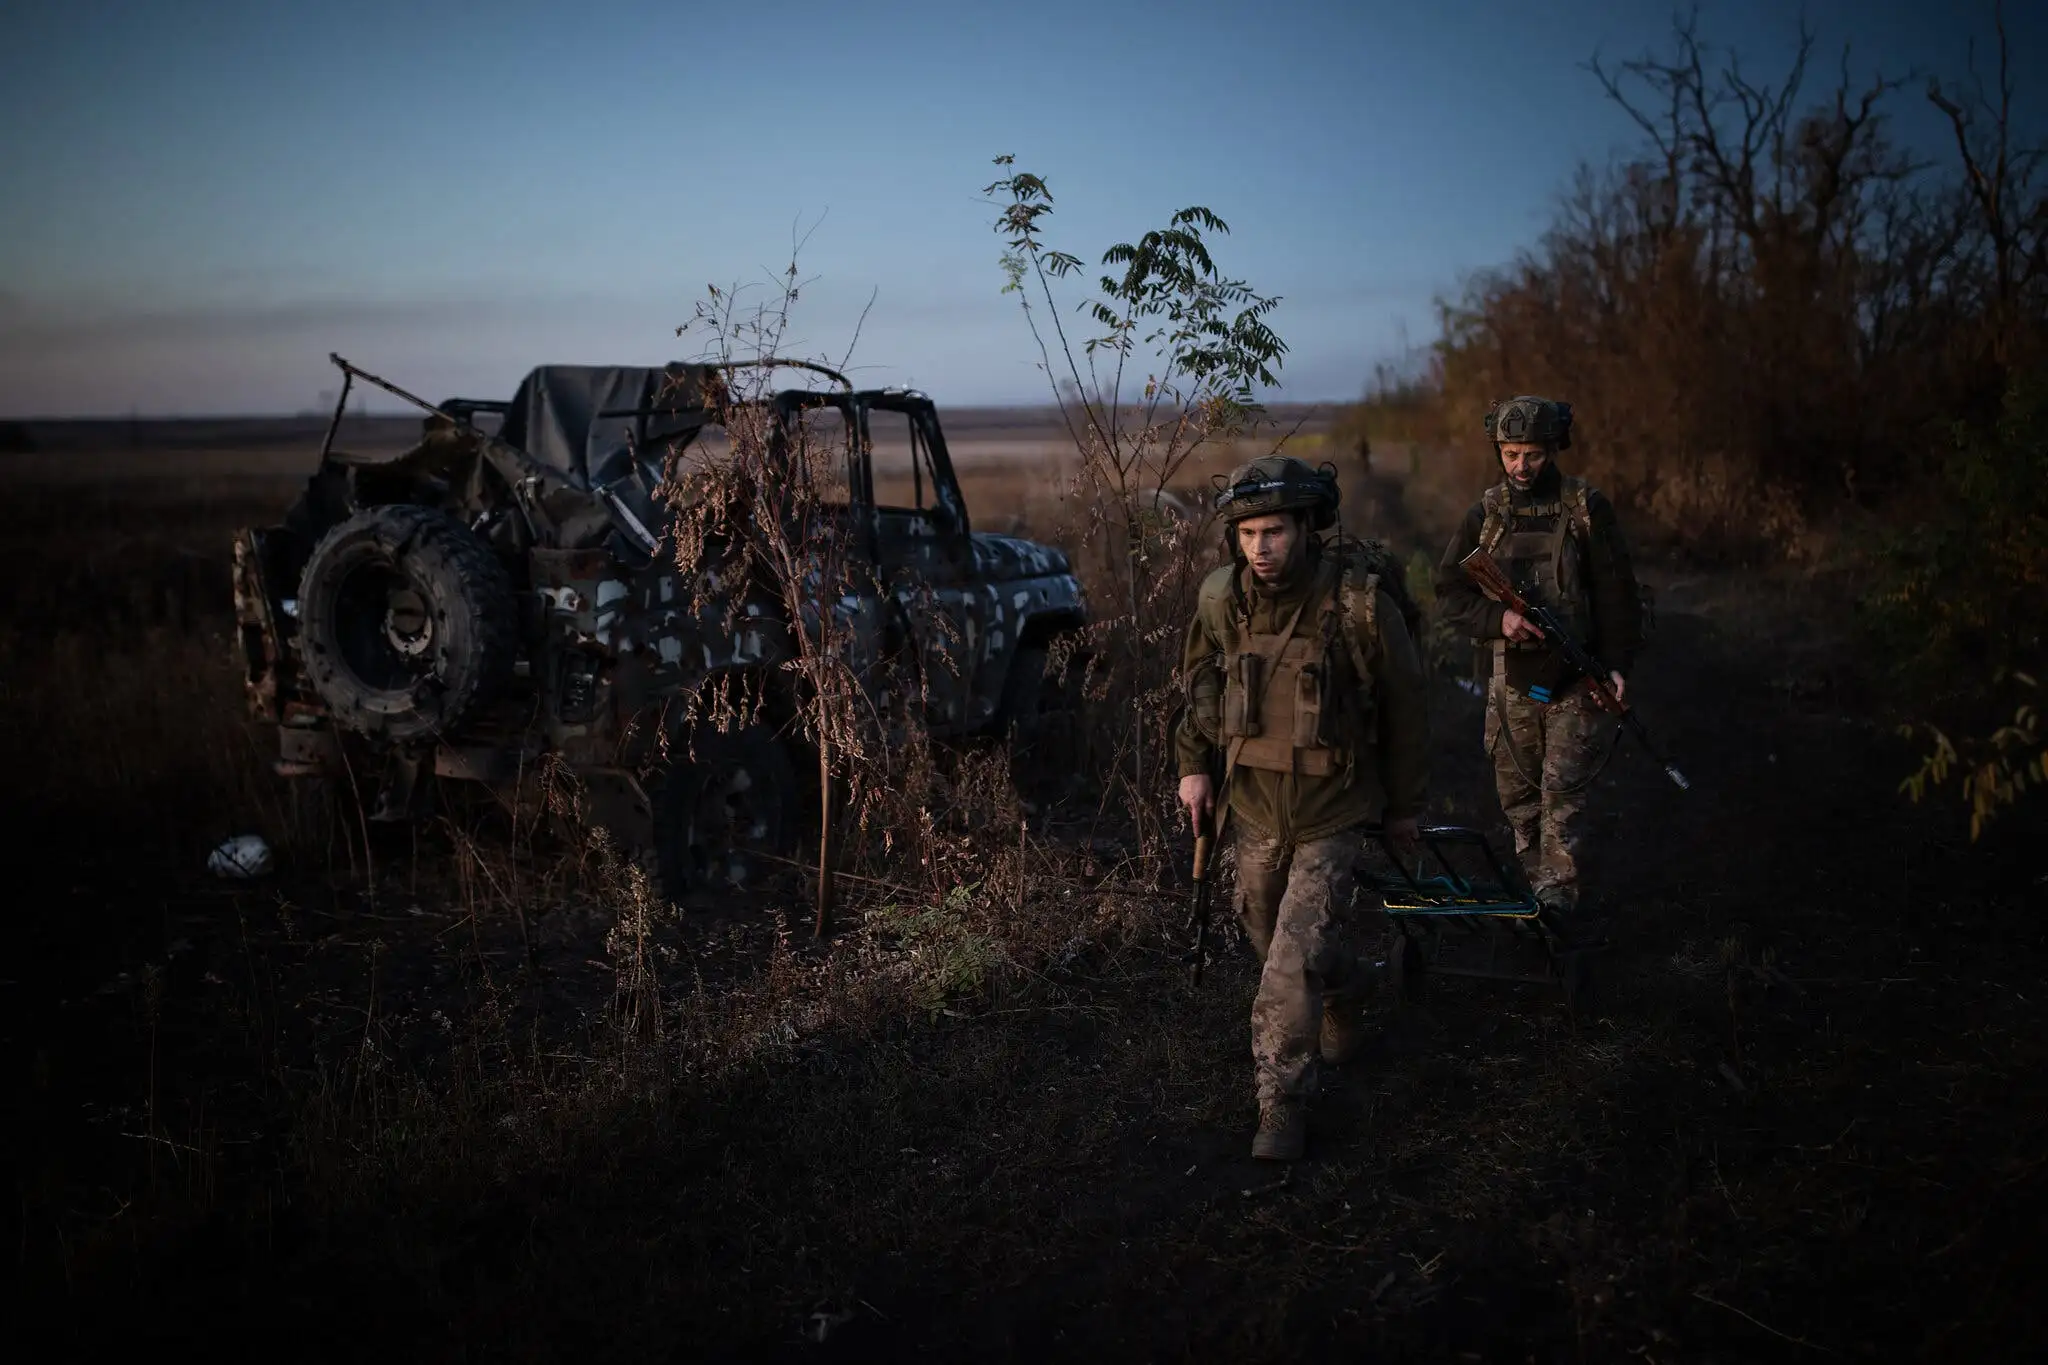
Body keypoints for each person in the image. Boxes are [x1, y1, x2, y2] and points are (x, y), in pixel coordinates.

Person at [1174, 455, 1431, 1162]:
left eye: (1276, 531)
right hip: (1253, 807)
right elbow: (1200, 682)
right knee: (1271, 936)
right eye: (1249, 533)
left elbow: (1408, 710)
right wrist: (1194, 766)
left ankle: (1280, 1112)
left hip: (1333, 811)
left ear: (1306, 528)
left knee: (1285, 970)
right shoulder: (1223, 600)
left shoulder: (1358, 606)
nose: (1261, 547)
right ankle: (1346, 990)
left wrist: (1405, 808)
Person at [1431, 395, 1644, 922]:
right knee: (1519, 800)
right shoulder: (1486, 514)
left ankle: (1557, 909)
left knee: (1563, 797)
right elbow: (1450, 592)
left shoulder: (1585, 508)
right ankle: (1538, 894)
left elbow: (1617, 595)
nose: (1520, 466)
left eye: (1532, 454)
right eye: (1509, 454)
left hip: (1577, 675)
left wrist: (1615, 664)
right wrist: (1497, 621)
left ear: (1554, 448)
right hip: (1512, 678)